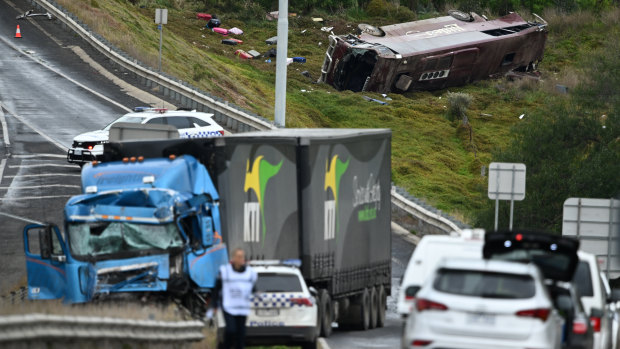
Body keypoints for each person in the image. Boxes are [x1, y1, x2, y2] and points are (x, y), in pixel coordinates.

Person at [212, 248, 257, 349]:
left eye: (243, 257)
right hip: (229, 306)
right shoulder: (225, 271)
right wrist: (214, 304)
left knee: (241, 335)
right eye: (239, 256)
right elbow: (217, 289)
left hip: (242, 307)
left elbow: (252, 287)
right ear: (233, 258)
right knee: (231, 330)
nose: (241, 259)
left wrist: (256, 292)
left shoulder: (249, 272)